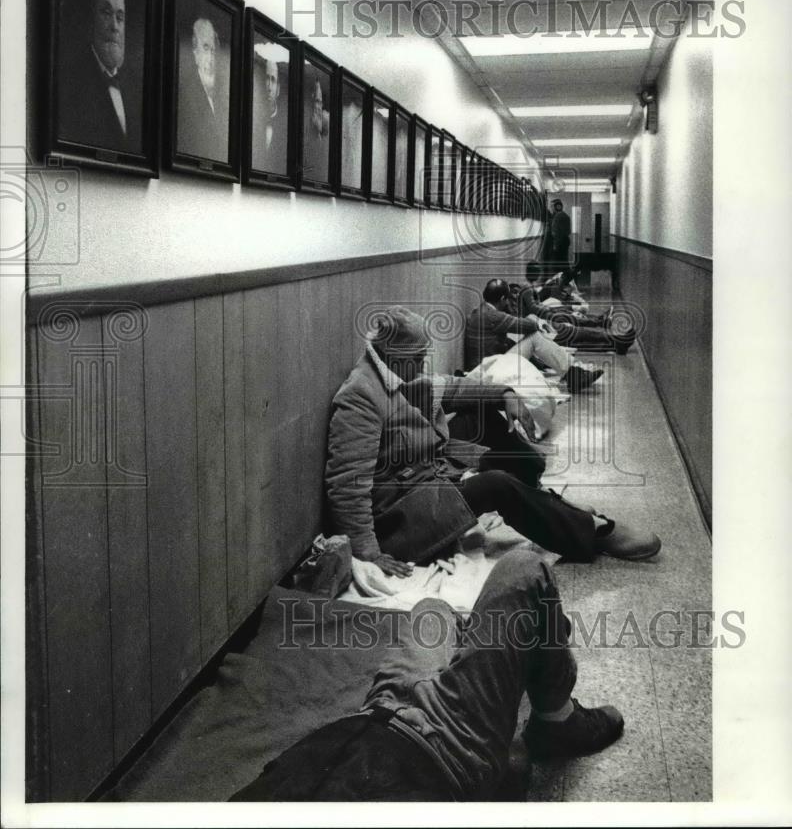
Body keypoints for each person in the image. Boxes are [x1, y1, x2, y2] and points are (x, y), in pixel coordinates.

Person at [230, 546, 625, 801]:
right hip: (447, 745)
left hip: (375, 714)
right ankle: (558, 721)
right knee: (524, 570)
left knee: (431, 609)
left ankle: (490, 659)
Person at [325, 306, 660, 577]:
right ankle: (591, 533)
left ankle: (548, 504)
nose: (422, 362)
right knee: (496, 485)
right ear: (392, 351)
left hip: (429, 480)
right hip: (400, 521)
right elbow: (347, 485)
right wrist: (369, 553)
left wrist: (505, 394)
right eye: (417, 355)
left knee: (496, 430)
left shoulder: (401, 374)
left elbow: (453, 389)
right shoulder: (360, 397)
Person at [464, 279, 606, 388]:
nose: (508, 303)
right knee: (534, 335)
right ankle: (573, 374)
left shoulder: (480, 312)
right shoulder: (493, 316)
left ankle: (573, 371)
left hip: (485, 367)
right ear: (502, 299)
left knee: (532, 332)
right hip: (490, 373)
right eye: (507, 300)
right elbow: (530, 325)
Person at [60, 0, 142, 153]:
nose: (114, 26)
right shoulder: (71, 84)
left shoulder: (135, 90)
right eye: (106, 13)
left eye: (120, 18)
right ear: (91, 18)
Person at [518, 266, 636, 355]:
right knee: (579, 336)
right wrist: (553, 314)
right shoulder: (529, 289)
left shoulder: (531, 288)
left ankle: (616, 341)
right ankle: (616, 342)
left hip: (542, 324)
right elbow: (536, 308)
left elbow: (538, 307)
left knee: (580, 335)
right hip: (540, 327)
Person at [177, 16, 228, 162]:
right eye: (206, 48)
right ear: (194, 49)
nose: (211, 59)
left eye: (213, 50)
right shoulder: (184, 94)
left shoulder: (221, 96)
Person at [251, 46, 288, 172]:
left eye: (272, 80)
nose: (268, 86)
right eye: (266, 78)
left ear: (278, 89)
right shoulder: (252, 119)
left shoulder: (286, 129)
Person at [550, 199, 572, 265]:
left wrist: (555, 245)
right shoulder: (565, 215)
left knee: (559, 262)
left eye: (552, 206)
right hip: (564, 240)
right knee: (564, 260)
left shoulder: (558, 216)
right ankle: (566, 273)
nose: (551, 208)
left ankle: (563, 274)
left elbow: (556, 232)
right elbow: (568, 231)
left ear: (557, 207)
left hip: (560, 242)